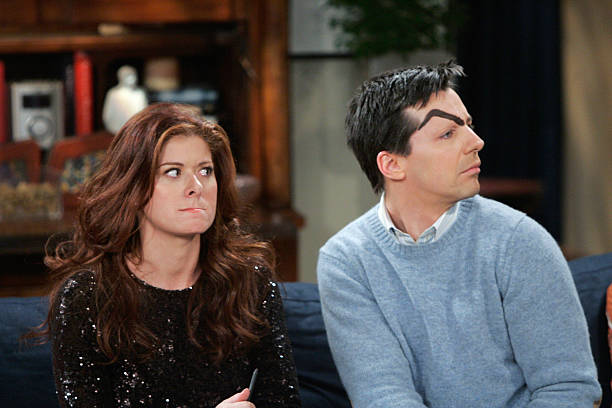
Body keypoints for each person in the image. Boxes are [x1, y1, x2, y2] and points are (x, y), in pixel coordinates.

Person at [316, 61, 601, 407]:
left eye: (468, 125)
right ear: (392, 164)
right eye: (448, 134)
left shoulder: (519, 240)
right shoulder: (346, 260)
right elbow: (383, 396)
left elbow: (568, 388)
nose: (476, 142)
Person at [36, 103, 301, 407]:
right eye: (173, 172)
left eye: (205, 171)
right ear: (134, 188)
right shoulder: (86, 298)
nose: (196, 187)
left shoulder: (250, 281)